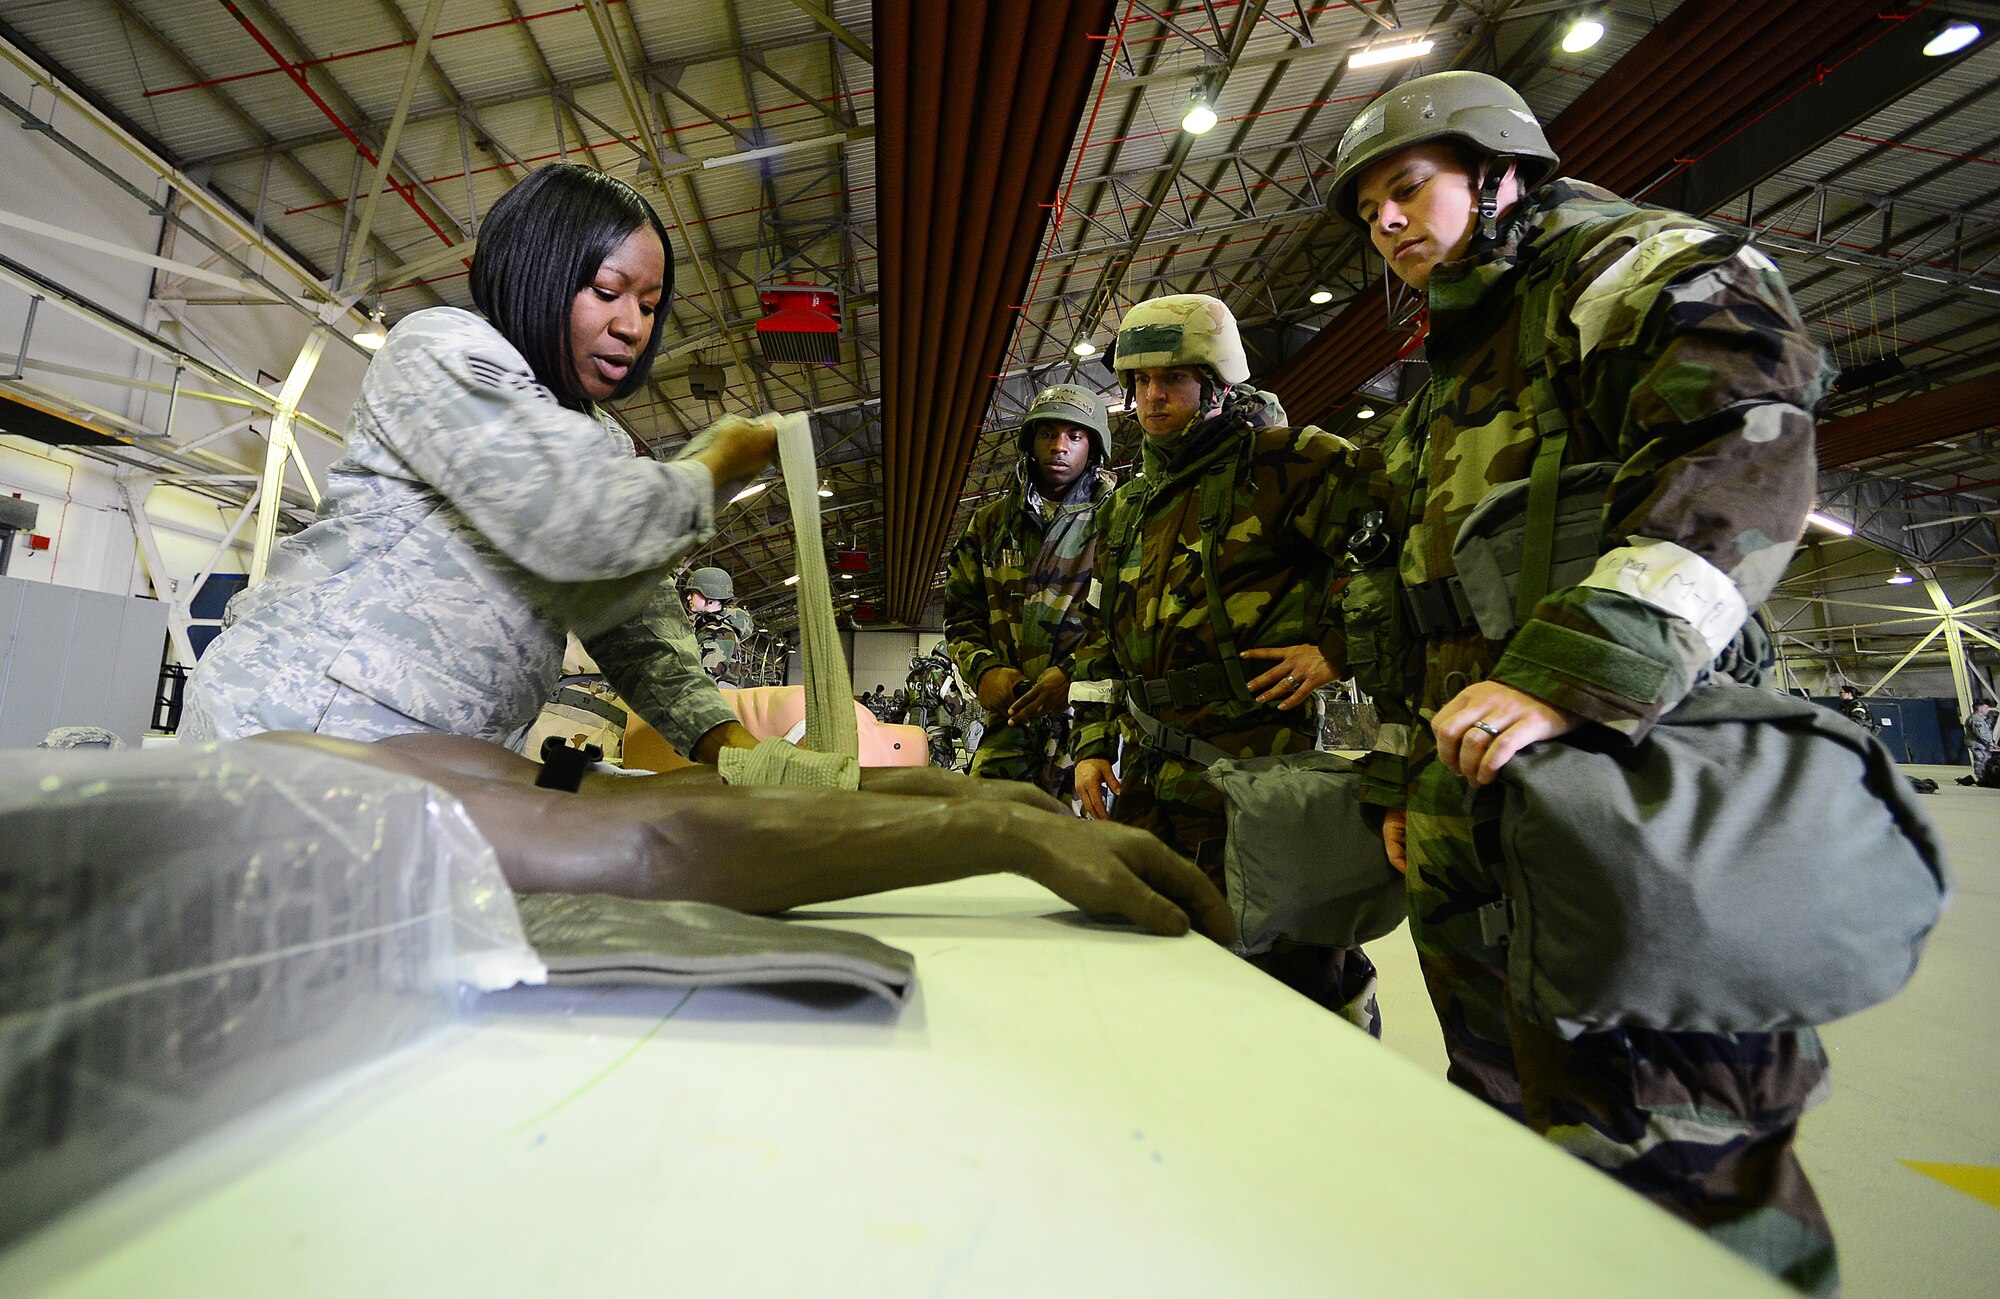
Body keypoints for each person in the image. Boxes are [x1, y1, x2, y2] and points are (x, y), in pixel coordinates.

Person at [1329, 70, 1836, 1292]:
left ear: (1501, 172)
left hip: (1635, 769)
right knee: (1505, 1107)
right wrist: (1404, 775)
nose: (1389, 224)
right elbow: (1423, 593)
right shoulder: (1447, 369)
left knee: (1677, 1132)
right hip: (1480, 789)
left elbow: (1742, 450)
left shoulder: (1634, 270)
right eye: (1368, 213)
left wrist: (1579, 672)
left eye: (1408, 188)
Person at [180, 164, 771, 765]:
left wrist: (725, 743)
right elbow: (572, 516)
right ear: (538, 274)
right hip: (305, 727)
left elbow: (633, 625)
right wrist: (717, 465)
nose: (631, 326)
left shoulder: (603, 447)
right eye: (605, 291)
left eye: (648, 305)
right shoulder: (443, 350)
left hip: (446, 755)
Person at [1067, 292, 1382, 1030]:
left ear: (1215, 384)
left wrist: (1336, 649)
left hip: (1261, 767)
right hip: (1154, 777)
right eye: (1138, 381)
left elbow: (1396, 556)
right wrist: (1087, 745)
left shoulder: (1291, 462)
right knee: (1171, 971)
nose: (1151, 396)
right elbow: (1096, 634)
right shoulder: (1126, 505)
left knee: (1290, 977)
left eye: (1171, 378)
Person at [237, 729, 1236, 946]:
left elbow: (646, 795)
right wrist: (980, 834)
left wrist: (905, 788)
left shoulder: (389, 747)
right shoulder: (310, 792)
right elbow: (655, 849)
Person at [943, 383, 1115, 800]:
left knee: (1088, 851)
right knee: (991, 835)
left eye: (1074, 436)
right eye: (1047, 434)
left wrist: (1072, 676)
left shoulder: (1117, 521)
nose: (1060, 447)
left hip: (1095, 725)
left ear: (1092, 447)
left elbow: (1129, 620)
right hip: (1012, 720)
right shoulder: (990, 526)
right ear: (1030, 442)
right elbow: (962, 614)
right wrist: (984, 670)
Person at [684, 565, 756, 679]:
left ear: (710, 595)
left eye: (693, 593)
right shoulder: (717, 627)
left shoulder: (716, 632)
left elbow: (704, 679)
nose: (688, 598)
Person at [1965, 698, 1997, 783]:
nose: (1988, 710)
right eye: (1986, 708)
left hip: (1980, 744)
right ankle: (1981, 778)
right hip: (1977, 744)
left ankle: (1984, 777)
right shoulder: (1976, 720)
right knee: (1981, 760)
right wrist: (1991, 743)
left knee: (1984, 760)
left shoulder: (1981, 718)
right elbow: (1981, 733)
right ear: (1979, 709)